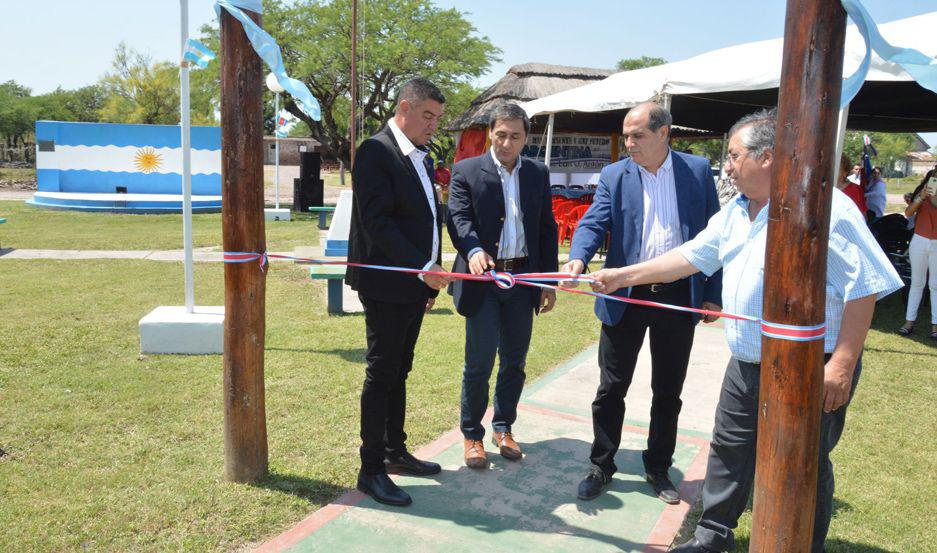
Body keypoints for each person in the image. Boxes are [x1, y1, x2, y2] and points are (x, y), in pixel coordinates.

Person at [583, 109, 902, 553]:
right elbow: (690, 256)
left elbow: (865, 287)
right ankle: (713, 536)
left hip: (812, 364)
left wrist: (843, 364)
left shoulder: (825, 206)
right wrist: (622, 276)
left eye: (733, 156)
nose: (726, 165)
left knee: (803, 462)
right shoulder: (735, 211)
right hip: (747, 361)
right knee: (729, 451)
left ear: (767, 156)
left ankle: (803, 543)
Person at [562, 102, 722, 504]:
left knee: (668, 390)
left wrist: (712, 294)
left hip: (677, 296)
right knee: (611, 387)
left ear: (664, 132)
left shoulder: (698, 171)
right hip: (624, 294)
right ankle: (602, 464)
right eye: (626, 135)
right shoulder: (616, 175)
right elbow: (594, 222)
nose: (628, 143)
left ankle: (658, 467)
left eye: (638, 136)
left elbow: (715, 235)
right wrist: (579, 256)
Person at [346, 77, 453, 507]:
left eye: (438, 119)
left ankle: (394, 450)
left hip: (413, 285)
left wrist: (427, 275)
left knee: (400, 371)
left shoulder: (420, 158)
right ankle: (370, 469)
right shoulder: (376, 151)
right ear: (404, 108)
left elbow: (427, 219)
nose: (433, 126)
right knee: (382, 373)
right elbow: (378, 223)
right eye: (427, 116)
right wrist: (423, 268)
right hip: (387, 284)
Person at [446, 103, 559, 469]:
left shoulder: (538, 173)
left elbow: (546, 227)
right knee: (478, 363)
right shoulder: (466, 171)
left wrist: (548, 281)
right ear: (490, 133)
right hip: (484, 282)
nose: (507, 143)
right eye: (500, 135)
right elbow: (458, 217)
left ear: (526, 137)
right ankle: (472, 435)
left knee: (515, 361)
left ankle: (503, 427)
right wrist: (474, 248)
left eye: (515, 136)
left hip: (523, 281)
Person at [898, 164, 937, 340]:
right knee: (917, 283)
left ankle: (935, 326)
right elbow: (908, 213)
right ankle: (909, 322)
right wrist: (921, 198)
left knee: (935, 285)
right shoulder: (923, 193)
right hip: (919, 241)